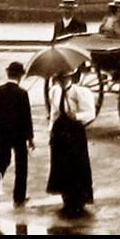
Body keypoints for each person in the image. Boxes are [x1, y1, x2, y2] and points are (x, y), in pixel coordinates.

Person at [46, 68, 96, 217]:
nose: (62, 81)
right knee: (61, 166)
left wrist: (77, 116)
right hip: (60, 132)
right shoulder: (54, 92)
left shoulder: (81, 93)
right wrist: (51, 132)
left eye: (65, 78)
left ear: (71, 78)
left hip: (75, 132)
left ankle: (79, 199)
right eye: (59, 78)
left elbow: (90, 113)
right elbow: (54, 114)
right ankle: (66, 198)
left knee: (77, 165)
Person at [0, 61, 34, 207]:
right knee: (21, 167)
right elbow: (27, 118)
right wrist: (30, 138)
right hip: (19, 135)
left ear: (7, 73)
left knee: (1, 163)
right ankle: (19, 197)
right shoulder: (22, 93)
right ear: (20, 76)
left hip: (2, 134)